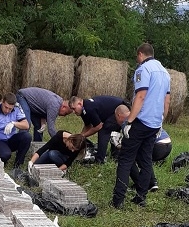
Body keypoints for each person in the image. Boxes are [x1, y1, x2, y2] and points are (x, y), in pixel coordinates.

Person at [110, 43, 171, 208]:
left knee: (125, 159)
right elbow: (167, 101)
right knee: (145, 161)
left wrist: (129, 121)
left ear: (140, 55)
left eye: (137, 57)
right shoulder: (165, 73)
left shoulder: (143, 70)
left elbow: (141, 96)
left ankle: (118, 200)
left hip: (141, 121)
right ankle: (141, 197)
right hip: (154, 124)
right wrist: (161, 122)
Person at [112, 104, 173, 192]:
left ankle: (140, 183)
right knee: (144, 159)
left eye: (115, 117)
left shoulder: (127, 122)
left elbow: (128, 147)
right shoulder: (139, 116)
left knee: (128, 158)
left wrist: (117, 144)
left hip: (157, 146)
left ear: (119, 115)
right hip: (167, 144)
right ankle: (152, 183)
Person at [69, 95, 128, 164]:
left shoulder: (89, 109)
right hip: (113, 111)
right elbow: (88, 125)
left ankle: (100, 160)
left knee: (104, 131)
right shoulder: (84, 109)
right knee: (113, 132)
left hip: (120, 110)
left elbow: (98, 126)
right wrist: (79, 136)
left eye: (74, 108)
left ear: (79, 104)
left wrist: (83, 136)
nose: (73, 111)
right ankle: (115, 156)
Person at [0, 93, 32, 169]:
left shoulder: (17, 107)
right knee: (5, 154)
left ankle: (17, 166)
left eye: (10, 109)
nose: (7, 111)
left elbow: (26, 125)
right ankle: (2, 161)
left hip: (10, 138)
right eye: (6, 107)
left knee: (27, 136)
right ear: (2, 102)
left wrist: (14, 123)